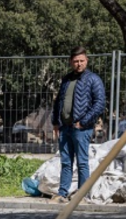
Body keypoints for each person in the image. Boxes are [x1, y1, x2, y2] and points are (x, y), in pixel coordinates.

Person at [50, 46, 105, 204]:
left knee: (82, 162)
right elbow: (58, 101)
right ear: (70, 62)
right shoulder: (66, 79)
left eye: (81, 61)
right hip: (64, 127)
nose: (79, 64)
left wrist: (84, 122)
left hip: (81, 128)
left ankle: (82, 194)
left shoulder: (93, 79)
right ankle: (62, 193)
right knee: (65, 161)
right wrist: (55, 122)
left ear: (86, 61)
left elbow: (99, 104)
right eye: (75, 61)